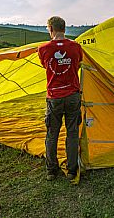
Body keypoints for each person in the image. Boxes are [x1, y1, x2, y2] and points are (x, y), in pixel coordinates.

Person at [38, 16, 83, 183]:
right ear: (64, 28)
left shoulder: (43, 49)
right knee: (72, 133)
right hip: (72, 96)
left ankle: (52, 170)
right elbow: (78, 63)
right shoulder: (76, 47)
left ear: (51, 29)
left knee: (52, 134)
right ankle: (72, 170)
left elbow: (46, 65)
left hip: (54, 97)